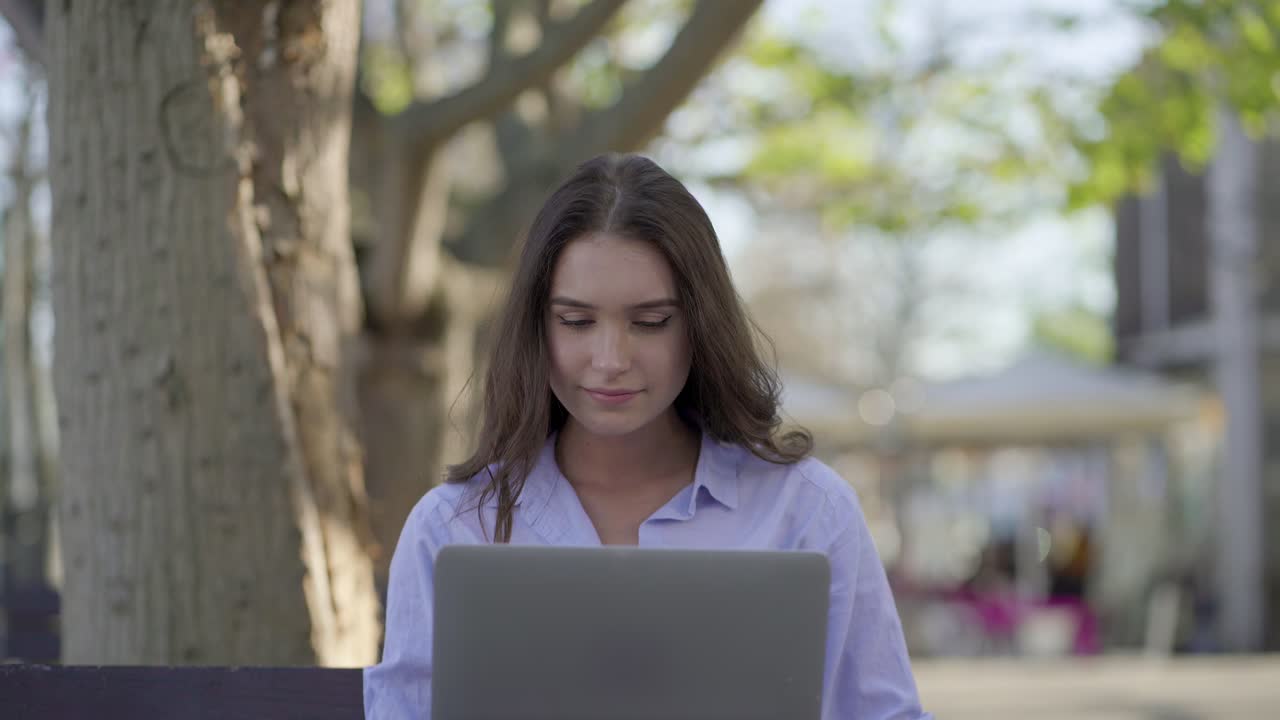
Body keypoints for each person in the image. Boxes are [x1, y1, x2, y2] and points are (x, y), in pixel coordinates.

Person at [363, 153, 932, 719]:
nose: (611, 360)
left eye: (651, 321)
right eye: (577, 321)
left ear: (700, 326)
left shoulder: (808, 510)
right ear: (537, 328)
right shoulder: (453, 526)